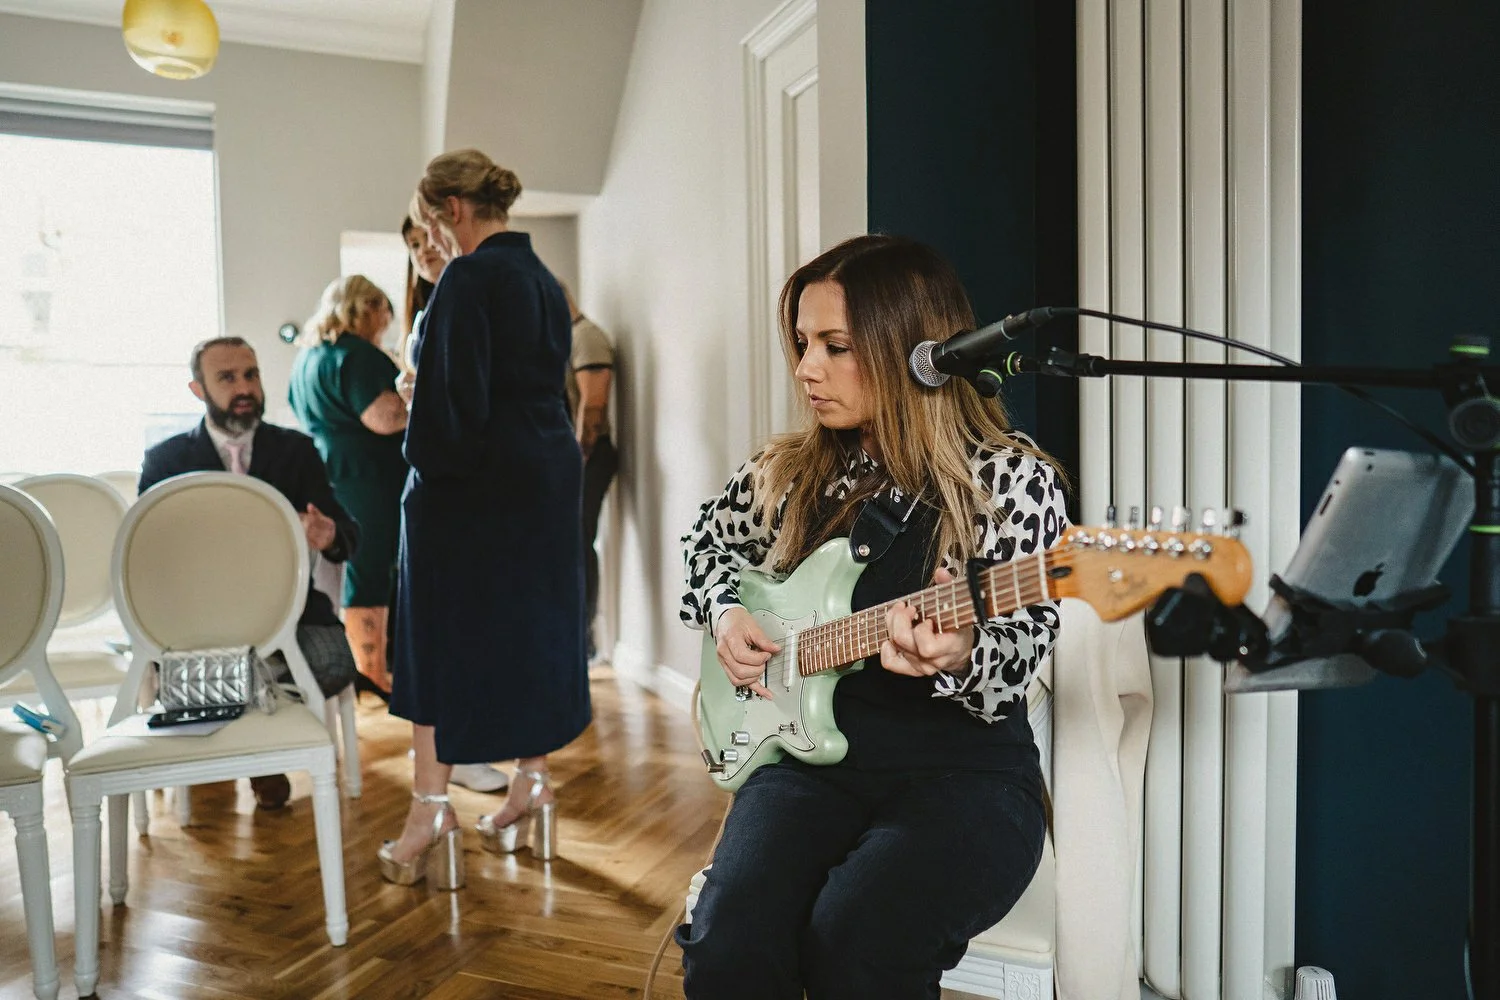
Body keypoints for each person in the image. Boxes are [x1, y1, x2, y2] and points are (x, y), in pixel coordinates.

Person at [675, 235, 1068, 999]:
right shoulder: (787, 472)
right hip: (805, 763)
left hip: (965, 777)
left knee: (858, 938)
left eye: (835, 346)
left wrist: (960, 655)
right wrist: (726, 614)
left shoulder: (1009, 480)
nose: (805, 369)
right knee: (728, 943)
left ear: (912, 349)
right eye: (802, 343)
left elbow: (1019, 654)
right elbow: (703, 544)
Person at [378, 150, 590, 888]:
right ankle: (532, 780)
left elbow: (447, 418)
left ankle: (428, 807)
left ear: (451, 210)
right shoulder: (542, 279)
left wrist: (419, 458)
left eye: (429, 219)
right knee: (532, 630)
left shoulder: (468, 278)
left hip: (469, 494)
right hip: (546, 478)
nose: (430, 237)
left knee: (434, 643)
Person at [139, 336, 361, 811]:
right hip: (199, 627)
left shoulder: (297, 451)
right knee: (192, 670)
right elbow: (145, 561)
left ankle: (232, 715)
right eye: (227, 377)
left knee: (332, 665)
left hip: (295, 615)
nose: (244, 387)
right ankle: (258, 750)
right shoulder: (166, 462)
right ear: (197, 389)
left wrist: (328, 534)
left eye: (251, 374)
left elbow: (348, 533)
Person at [389, 215, 511, 796]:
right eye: (412, 247)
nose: (421, 253)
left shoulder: (475, 297)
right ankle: (449, 759)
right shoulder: (426, 312)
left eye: (426, 240)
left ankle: (465, 748)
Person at [287, 275, 408, 702]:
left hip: (328, 469)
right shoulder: (358, 355)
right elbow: (383, 418)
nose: (384, 325)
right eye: (383, 314)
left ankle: (360, 666)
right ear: (367, 307)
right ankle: (371, 670)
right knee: (370, 566)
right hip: (366, 475)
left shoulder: (307, 358)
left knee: (345, 569)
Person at [559, 282, 618, 661]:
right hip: (574, 458)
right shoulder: (568, 339)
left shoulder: (587, 338)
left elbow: (593, 406)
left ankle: (583, 641)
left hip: (589, 457)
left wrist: (576, 457)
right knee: (570, 545)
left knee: (579, 544)